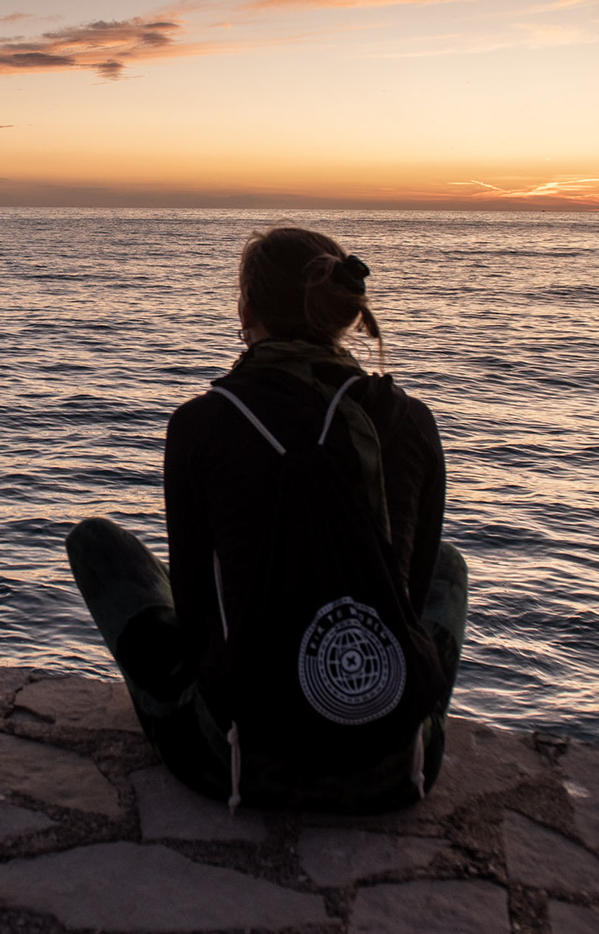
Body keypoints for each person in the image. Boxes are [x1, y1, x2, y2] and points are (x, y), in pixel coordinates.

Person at [67, 225, 468, 812]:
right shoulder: (410, 419)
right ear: (345, 314)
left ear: (247, 309)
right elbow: (405, 594)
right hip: (401, 765)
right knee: (447, 569)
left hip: (238, 760)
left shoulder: (204, 423)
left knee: (95, 543)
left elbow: (199, 610)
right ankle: (389, 713)